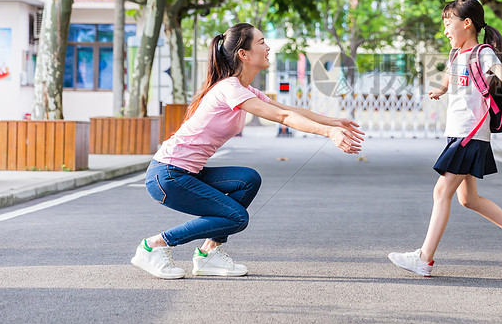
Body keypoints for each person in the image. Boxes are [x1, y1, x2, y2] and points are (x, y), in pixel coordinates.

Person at [131, 22, 364, 279]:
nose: (268, 47)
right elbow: (283, 116)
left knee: (247, 180)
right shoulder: (229, 89)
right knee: (236, 217)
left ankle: (208, 254)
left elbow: (290, 110)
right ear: (244, 53)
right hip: (168, 176)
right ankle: (154, 246)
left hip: (187, 174)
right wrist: (328, 133)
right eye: (262, 42)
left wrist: (333, 122)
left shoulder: (244, 90)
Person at [388, 0, 502, 277]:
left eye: (448, 24)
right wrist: (441, 90)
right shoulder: (456, 55)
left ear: (466, 23)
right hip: (457, 133)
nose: (445, 31)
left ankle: (424, 258)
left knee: (441, 192)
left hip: (470, 134)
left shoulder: (483, 53)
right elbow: (449, 76)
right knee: (468, 199)